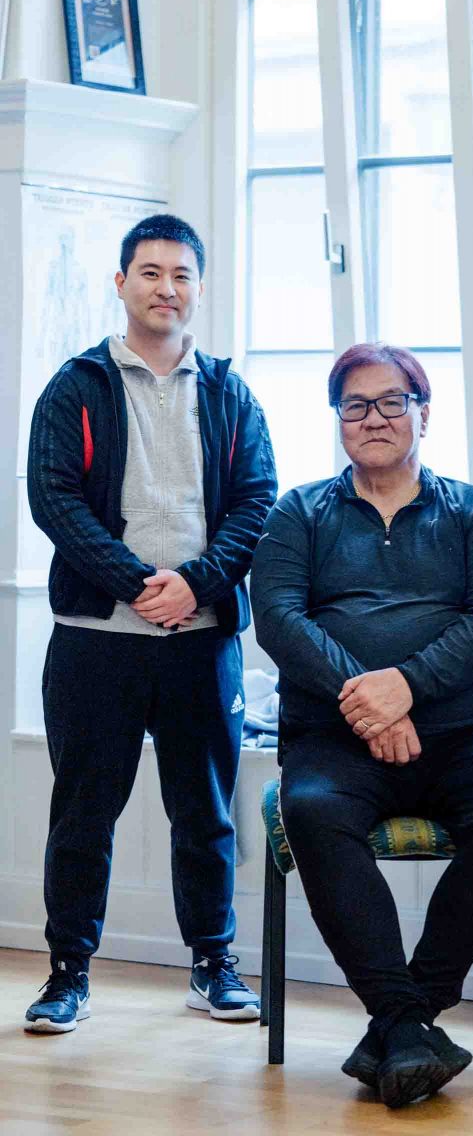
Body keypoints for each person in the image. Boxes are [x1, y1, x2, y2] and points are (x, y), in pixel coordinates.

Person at [251, 344, 473, 1109]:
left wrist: (406, 687)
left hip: (462, 733)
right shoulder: (298, 513)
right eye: (355, 405)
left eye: (391, 401)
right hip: (333, 738)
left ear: (423, 413)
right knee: (310, 809)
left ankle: (402, 1017)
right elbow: (278, 619)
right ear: (338, 419)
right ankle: (404, 1022)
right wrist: (365, 701)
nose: (374, 418)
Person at [25, 214, 277, 1034]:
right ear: (122, 282)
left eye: (181, 275)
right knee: (82, 815)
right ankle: (67, 973)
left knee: (204, 815)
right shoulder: (77, 385)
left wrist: (194, 584)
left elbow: (257, 503)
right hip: (96, 640)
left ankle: (213, 965)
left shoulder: (231, 393)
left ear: (198, 287)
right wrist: (139, 586)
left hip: (202, 642)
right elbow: (54, 500)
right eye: (150, 272)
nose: (166, 288)